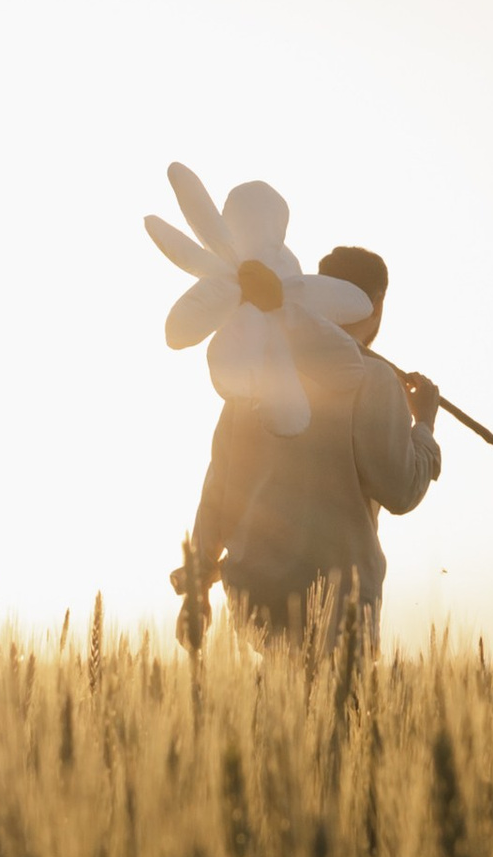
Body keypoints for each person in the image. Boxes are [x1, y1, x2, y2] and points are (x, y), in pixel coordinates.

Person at [174, 243, 442, 649]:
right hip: (342, 613)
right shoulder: (371, 380)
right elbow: (401, 489)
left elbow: (218, 493)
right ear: (377, 304)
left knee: (273, 713)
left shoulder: (257, 368)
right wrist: (423, 424)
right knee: (337, 714)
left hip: (255, 604)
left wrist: (197, 589)